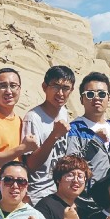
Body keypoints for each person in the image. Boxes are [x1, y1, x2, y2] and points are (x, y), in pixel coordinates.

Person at [0, 68, 38, 201]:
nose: (9, 91)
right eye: (3, 86)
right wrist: (22, 148)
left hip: (15, 195)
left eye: (13, 86)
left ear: (19, 89)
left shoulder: (19, 120)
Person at [21, 65, 75, 202]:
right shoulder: (33, 118)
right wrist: (54, 135)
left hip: (60, 190)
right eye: (55, 86)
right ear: (44, 87)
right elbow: (31, 164)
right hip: (39, 193)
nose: (60, 93)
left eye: (65, 88)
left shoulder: (63, 112)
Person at [65, 71, 110, 188]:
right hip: (87, 196)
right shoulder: (75, 129)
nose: (96, 98)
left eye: (102, 94)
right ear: (81, 100)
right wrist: (95, 141)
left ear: (109, 99)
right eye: (90, 94)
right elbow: (71, 166)